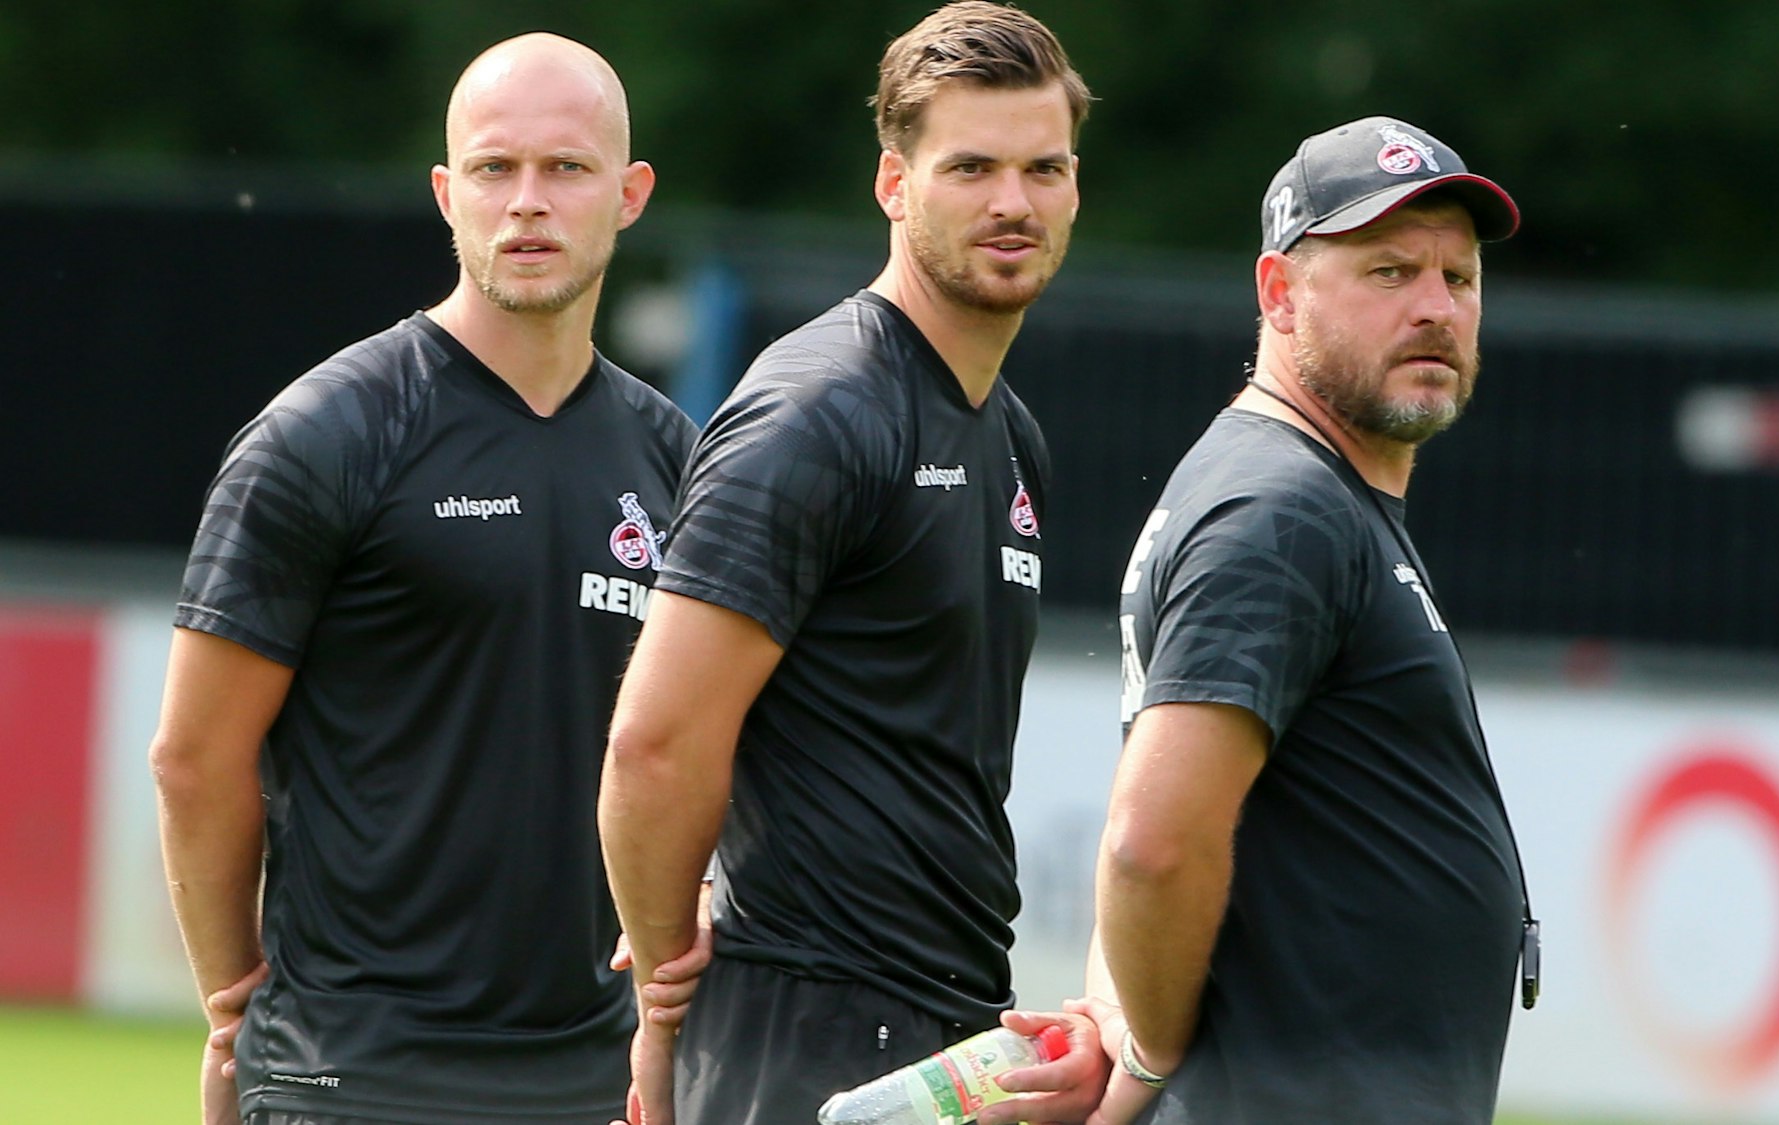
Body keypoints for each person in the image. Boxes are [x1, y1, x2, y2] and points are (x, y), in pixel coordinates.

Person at [149, 33, 703, 1125]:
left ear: (629, 194)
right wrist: (232, 1004)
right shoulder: (328, 434)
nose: (528, 203)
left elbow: (698, 747)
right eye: (496, 170)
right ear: (448, 194)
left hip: (587, 1083)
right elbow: (192, 755)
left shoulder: (676, 458)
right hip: (352, 1075)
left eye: (567, 169)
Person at [598, 4, 1109, 1123]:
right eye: (970, 166)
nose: (1013, 202)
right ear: (893, 183)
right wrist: (661, 1028)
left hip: (940, 1024)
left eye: (1043, 168)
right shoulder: (818, 412)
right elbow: (655, 740)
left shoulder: (1008, 432)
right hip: (799, 1023)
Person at [1082, 117, 1538, 1124]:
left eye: (1456, 279)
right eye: (1387, 273)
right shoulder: (1280, 511)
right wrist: (1152, 1059)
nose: (1433, 308)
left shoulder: (1310, 495)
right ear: (1278, 295)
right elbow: (1148, 843)